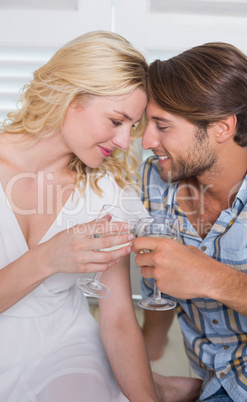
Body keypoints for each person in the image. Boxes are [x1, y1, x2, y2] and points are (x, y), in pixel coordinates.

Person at [0, 30, 158, 402]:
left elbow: (118, 319)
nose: (124, 141)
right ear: (71, 97)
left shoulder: (106, 190)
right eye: (117, 120)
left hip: (63, 346)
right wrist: (49, 257)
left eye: (132, 127)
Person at [132, 42, 247, 402]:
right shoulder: (156, 179)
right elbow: (159, 289)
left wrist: (208, 276)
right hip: (213, 383)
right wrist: (141, 371)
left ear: (222, 127)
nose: (146, 141)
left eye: (162, 126)